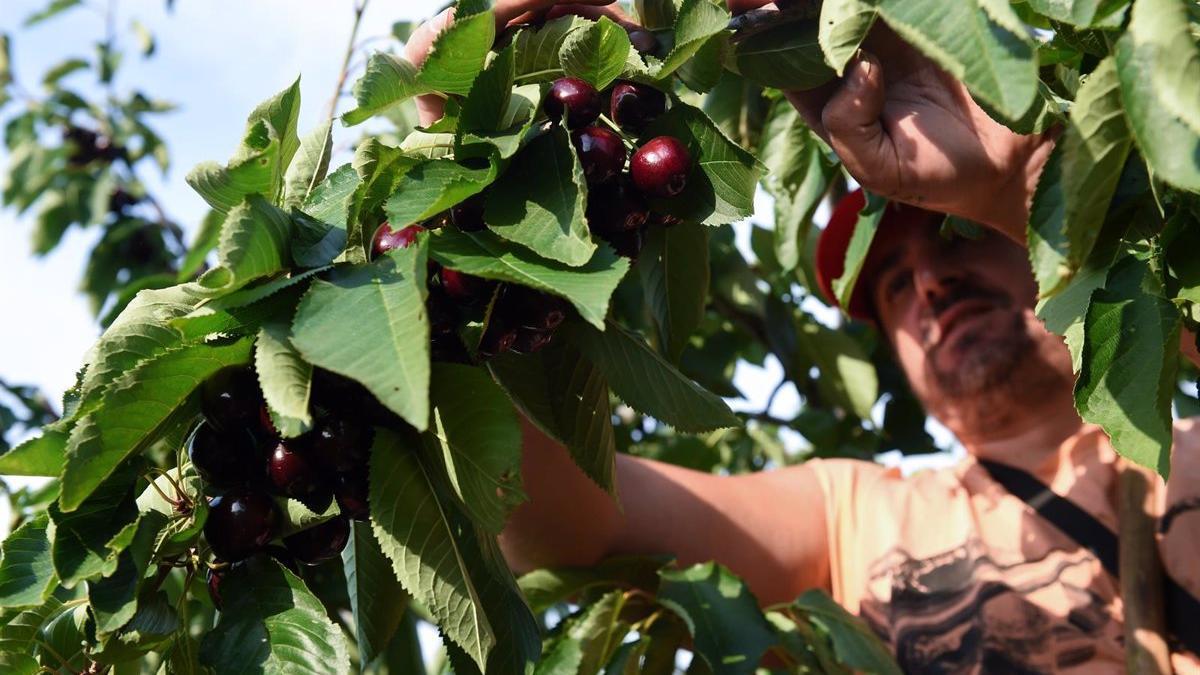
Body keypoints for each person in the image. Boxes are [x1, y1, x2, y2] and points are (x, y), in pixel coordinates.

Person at [406, 2, 1200, 672]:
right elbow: (578, 528)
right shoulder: (851, 515)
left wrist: (1016, 184)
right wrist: (489, 234)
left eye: (958, 238)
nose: (931, 283)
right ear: (887, 340)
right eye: (894, 283)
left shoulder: (1190, 449)